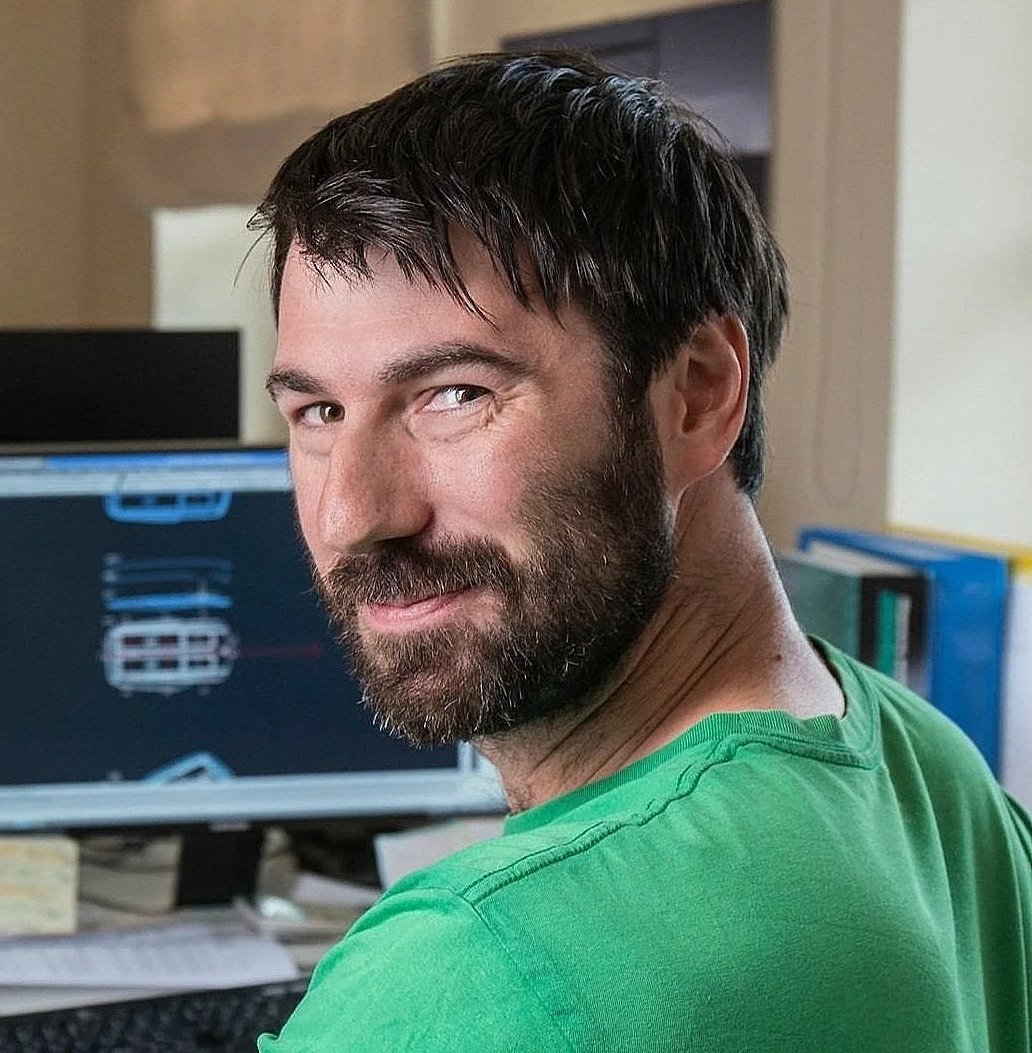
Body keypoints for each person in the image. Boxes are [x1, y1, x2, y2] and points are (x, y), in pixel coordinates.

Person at [252, 51, 1032, 1051]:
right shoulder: (928, 774)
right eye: (318, 411)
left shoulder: (474, 968)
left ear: (698, 391)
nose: (352, 515)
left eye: (455, 395)